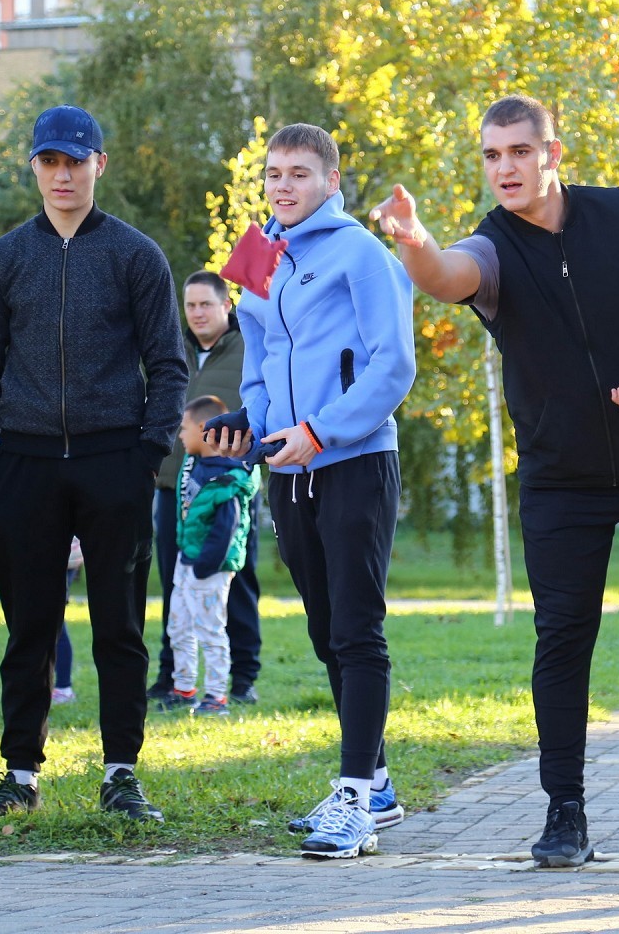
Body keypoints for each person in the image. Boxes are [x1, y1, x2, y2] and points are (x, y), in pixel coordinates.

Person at [370, 94, 619, 866]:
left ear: (552, 154)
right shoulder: (494, 248)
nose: (504, 167)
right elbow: (445, 276)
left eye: (519, 151)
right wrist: (413, 239)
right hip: (560, 479)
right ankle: (565, 811)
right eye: (491, 155)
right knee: (564, 637)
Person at [0, 104, 186, 825]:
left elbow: (168, 364)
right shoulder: (2, 260)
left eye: (75, 161)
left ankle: (122, 774)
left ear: (99, 165)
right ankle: (19, 774)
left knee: (118, 626)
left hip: (114, 461)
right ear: (35, 167)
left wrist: (146, 454)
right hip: (21, 467)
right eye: (50, 161)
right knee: (29, 628)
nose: (63, 175)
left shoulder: (135, 255)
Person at [208, 123, 414, 859]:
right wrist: (253, 423)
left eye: (299, 173)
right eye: (273, 173)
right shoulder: (259, 253)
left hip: (354, 461)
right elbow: (261, 359)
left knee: (357, 630)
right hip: (288, 470)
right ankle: (376, 786)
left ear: (331, 181)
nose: (283, 185)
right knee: (327, 631)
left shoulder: (362, 253)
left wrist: (322, 432)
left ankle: (354, 800)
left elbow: (393, 366)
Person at [150, 270, 263, 706]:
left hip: (229, 487)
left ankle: (243, 679)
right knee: (175, 583)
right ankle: (173, 677)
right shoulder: (171, 350)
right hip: (173, 486)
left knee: (236, 580)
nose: (197, 313)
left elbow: (267, 406)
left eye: (206, 304)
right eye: (190, 305)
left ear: (226, 306)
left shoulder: (250, 348)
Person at [154, 395, 259, 716]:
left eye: (184, 428)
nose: (179, 436)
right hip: (186, 560)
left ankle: (216, 697)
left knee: (210, 630)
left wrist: (205, 567)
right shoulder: (194, 465)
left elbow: (227, 529)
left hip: (209, 569)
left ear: (203, 429)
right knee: (179, 627)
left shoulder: (227, 478)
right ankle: (184, 689)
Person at [52, 539, 83, 706]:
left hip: (61, 553)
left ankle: (63, 687)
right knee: (53, 623)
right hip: (65, 553)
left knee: (54, 623)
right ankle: (61, 687)